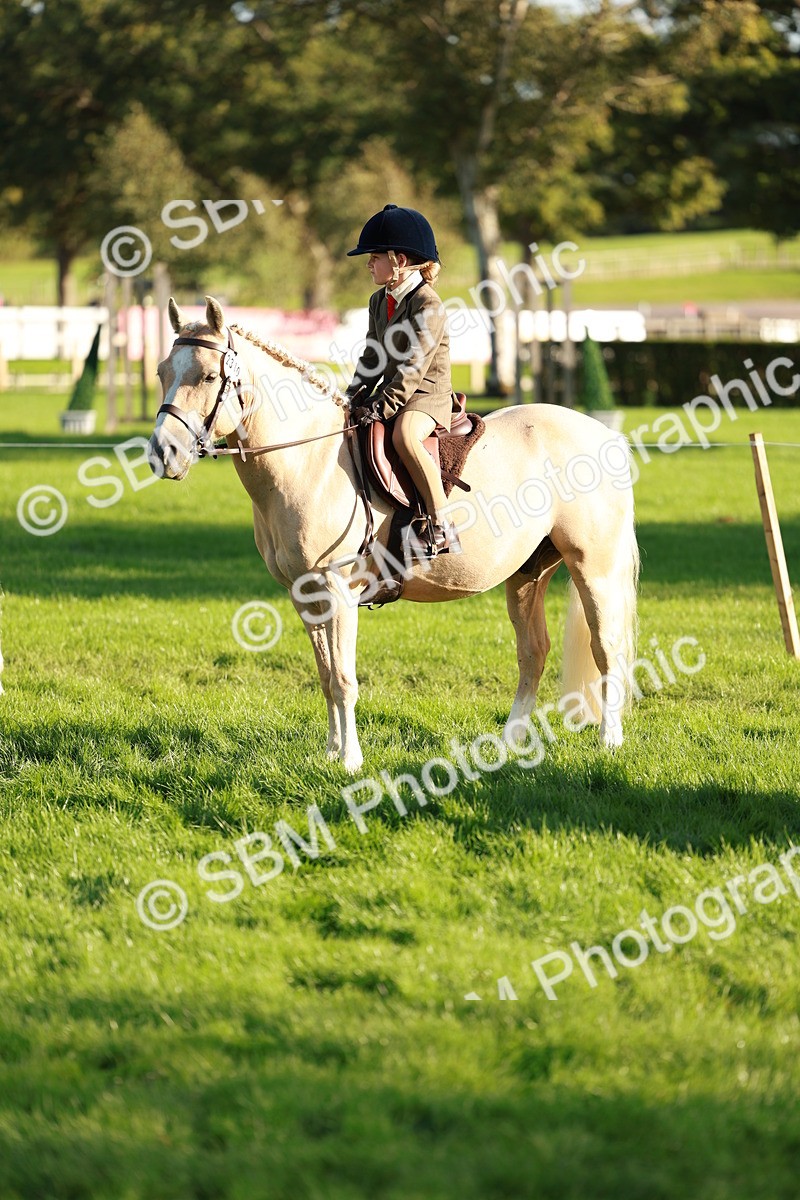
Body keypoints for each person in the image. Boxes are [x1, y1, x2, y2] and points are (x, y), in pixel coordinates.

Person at [345, 204, 461, 556]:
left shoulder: (429, 305)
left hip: (427, 395)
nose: (368, 265)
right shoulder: (378, 301)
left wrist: (381, 407)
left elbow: (413, 369)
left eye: (374, 257)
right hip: (394, 392)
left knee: (405, 435)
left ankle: (443, 523)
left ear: (398, 260)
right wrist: (351, 397)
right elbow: (372, 357)